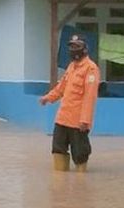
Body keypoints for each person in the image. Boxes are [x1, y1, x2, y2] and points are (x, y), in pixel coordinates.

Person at [39, 34, 100, 172]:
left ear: (84, 49)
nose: (73, 49)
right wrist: (47, 98)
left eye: (76, 46)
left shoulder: (91, 69)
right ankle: (61, 184)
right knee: (57, 149)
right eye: (71, 46)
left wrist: (85, 120)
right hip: (62, 118)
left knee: (80, 154)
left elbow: (90, 97)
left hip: (78, 122)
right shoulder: (71, 67)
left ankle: (80, 185)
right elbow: (61, 87)